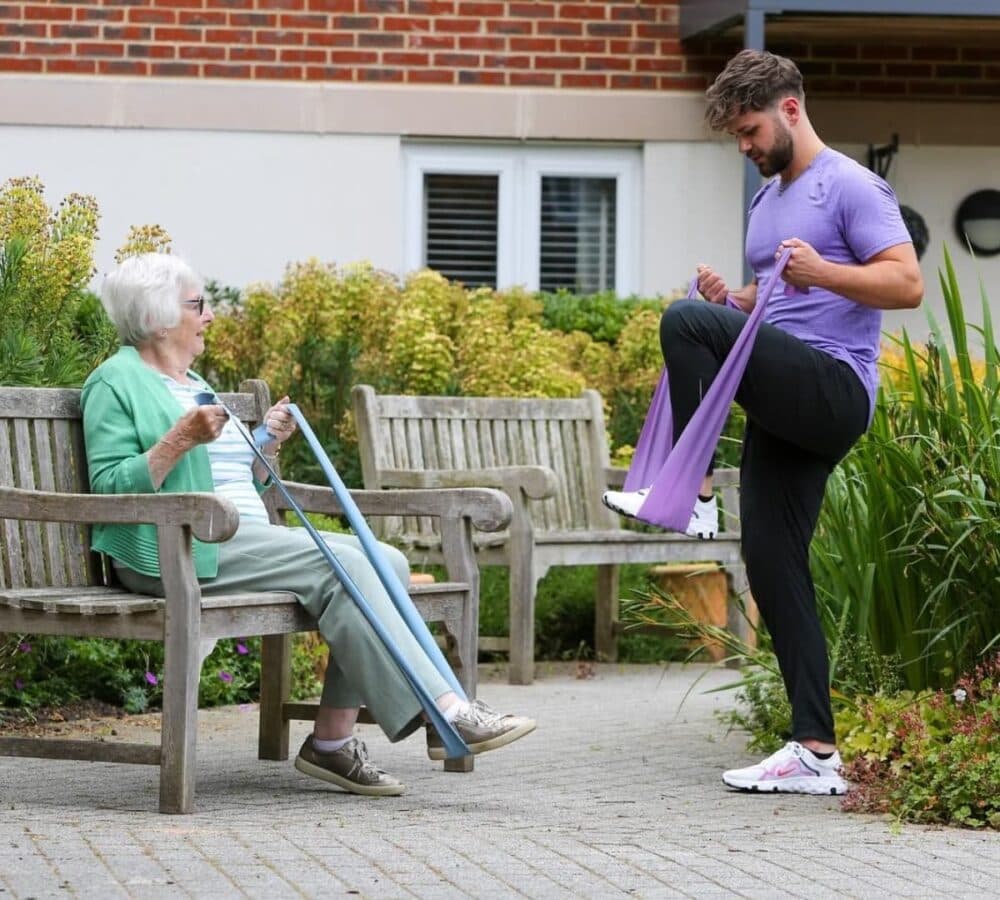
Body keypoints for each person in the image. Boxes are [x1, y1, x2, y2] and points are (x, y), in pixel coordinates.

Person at [81, 252, 536, 798]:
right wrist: (180, 438)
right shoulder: (114, 382)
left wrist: (266, 443)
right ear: (158, 317)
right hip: (176, 551)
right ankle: (447, 710)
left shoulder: (194, 380)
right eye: (198, 304)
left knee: (385, 560)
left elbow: (234, 478)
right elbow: (109, 489)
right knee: (344, 563)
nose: (209, 316)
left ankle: (331, 744)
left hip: (242, 540)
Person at [604, 49, 922, 794]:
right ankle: (815, 750)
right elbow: (774, 297)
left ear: (788, 108)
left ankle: (694, 491)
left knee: (684, 324)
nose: (744, 148)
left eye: (749, 131)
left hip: (835, 388)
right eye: (736, 138)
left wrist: (825, 272)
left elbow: (904, 282)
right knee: (774, 566)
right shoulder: (765, 200)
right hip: (788, 393)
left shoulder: (850, 184)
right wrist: (735, 299)